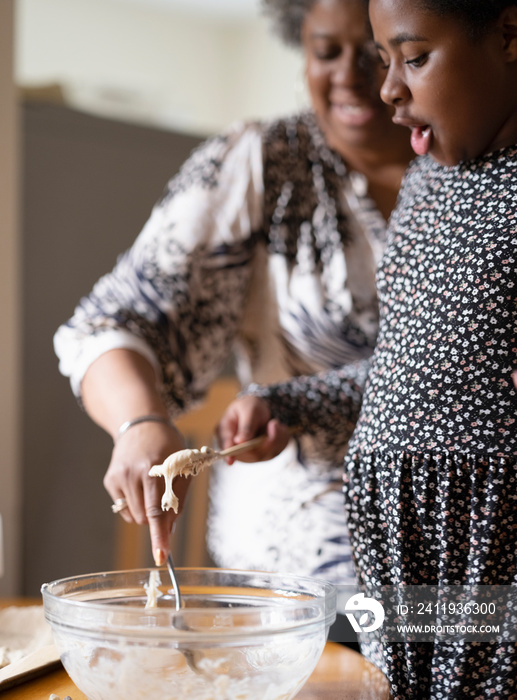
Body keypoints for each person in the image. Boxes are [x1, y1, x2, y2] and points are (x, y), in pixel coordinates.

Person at [53, 0, 412, 613]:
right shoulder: (263, 162)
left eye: (378, 54)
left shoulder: (473, 166)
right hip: (306, 571)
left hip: (469, 551)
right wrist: (140, 425)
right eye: (326, 51)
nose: (351, 76)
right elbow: (113, 323)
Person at [218, 0, 517, 696]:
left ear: (507, 34)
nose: (388, 88)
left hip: (482, 540)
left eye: (413, 59)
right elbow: (414, 366)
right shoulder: (427, 183)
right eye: (386, 62)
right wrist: (288, 399)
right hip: (392, 538)